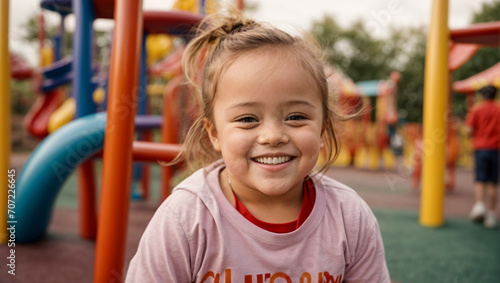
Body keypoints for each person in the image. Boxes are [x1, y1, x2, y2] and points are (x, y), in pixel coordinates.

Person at [126, 10, 390, 282]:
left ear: (323, 127)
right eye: (248, 119)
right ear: (215, 133)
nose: (273, 136)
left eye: (296, 117)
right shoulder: (186, 218)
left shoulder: (349, 217)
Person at [465, 85, 499, 229]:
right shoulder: (498, 109)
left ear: (481, 95)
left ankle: (479, 206)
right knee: (493, 182)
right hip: (496, 149)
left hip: (480, 148)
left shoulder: (476, 109)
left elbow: (468, 130)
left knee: (480, 179)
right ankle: (491, 215)